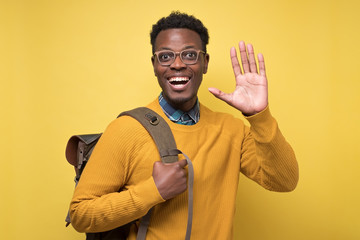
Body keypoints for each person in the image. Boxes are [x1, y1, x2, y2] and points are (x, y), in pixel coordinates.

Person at [70, 11, 299, 239]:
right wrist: (154, 191)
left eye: (189, 55)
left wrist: (259, 115)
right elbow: (80, 214)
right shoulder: (126, 129)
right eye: (165, 56)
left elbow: (284, 181)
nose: (177, 64)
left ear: (205, 62)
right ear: (154, 65)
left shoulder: (232, 130)